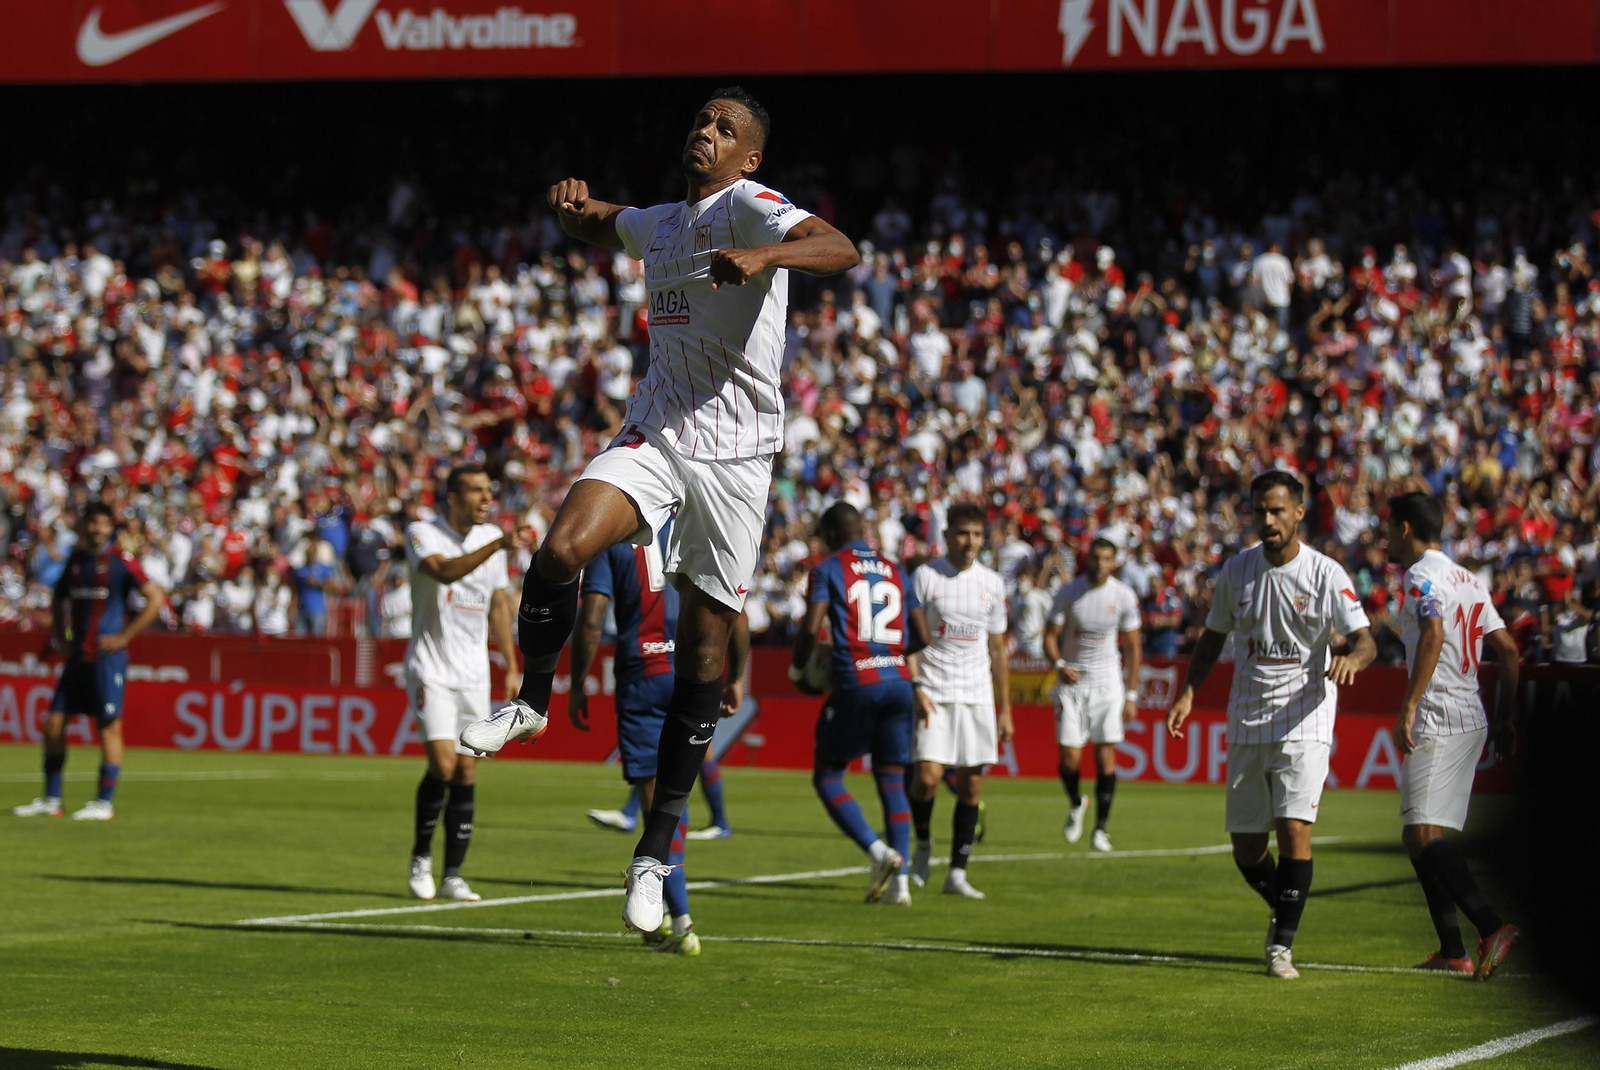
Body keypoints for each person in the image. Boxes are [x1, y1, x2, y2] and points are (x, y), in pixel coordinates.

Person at [460, 86, 860, 935]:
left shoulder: (754, 206)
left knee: (705, 652)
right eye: (702, 121)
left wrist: (766, 259)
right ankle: (530, 698)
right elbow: (603, 223)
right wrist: (570, 207)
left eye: (726, 128)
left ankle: (654, 852)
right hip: (657, 430)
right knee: (562, 547)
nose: (705, 133)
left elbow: (841, 247)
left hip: (740, 461)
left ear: (749, 157)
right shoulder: (662, 225)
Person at [1166, 470, 1376, 980]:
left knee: (1294, 831)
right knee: (1247, 849)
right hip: (1248, 715)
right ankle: (1284, 904)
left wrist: (1354, 660)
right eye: (1260, 510)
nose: (1267, 519)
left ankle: (1281, 946)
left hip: (1305, 717)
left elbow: (1366, 640)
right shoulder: (1237, 571)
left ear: (1299, 513)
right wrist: (1190, 691)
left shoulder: (1327, 574)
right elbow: (1213, 638)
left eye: (1278, 510)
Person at [569, 517, 750, 954]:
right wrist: (736, 678)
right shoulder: (700, 526)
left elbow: (592, 619)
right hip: (695, 670)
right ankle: (669, 916)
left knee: (657, 807)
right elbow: (737, 613)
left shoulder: (611, 537)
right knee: (677, 794)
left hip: (643, 672)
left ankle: (681, 923)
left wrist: (577, 683)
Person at [1384, 491, 1521, 979]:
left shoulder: (1421, 574)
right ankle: (1452, 951)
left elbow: (1435, 634)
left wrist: (1411, 703)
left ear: (1404, 529)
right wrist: (1506, 719)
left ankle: (1491, 926)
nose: (1383, 536)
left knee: (1421, 833)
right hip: (1474, 716)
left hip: (1440, 714)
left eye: (1387, 526)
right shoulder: (1469, 578)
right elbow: (1507, 651)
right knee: (1419, 836)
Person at [790, 502, 928, 906]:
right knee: (890, 777)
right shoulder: (896, 569)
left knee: (828, 777)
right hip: (900, 681)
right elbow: (921, 633)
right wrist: (894, 653)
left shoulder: (829, 567)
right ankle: (899, 885)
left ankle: (878, 851)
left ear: (831, 534)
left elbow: (812, 627)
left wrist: (799, 670)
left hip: (858, 678)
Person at [403, 467, 527, 902]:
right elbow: (443, 572)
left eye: (488, 491)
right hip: (431, 667)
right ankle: (421, 857)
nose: (485, 499)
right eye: (475, 491)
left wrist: (511, 665)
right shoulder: (422, 532)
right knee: (443, 764)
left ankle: (454, 873)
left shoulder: (490, 536)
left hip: (474, 672)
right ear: (452, 497)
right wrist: (497, 544)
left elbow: (497, 606)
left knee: (468, 767)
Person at [14, 503, 166, 820]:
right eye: (91, 523)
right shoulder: (76, 560)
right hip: (77, 657)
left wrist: (125, 637)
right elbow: (58, 600)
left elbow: (155, 598)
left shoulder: (121, 562)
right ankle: (51, 799)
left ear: (111, 527)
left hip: (107, 657)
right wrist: (60, 638)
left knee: (108, 726)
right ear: (84, 526)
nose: (96, 529)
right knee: (54, 723)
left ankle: (103, 803)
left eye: (102, 524)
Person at [906, 502, 1012, 899]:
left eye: (977, 535)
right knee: (928, 777)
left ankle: (957, 873)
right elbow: (911, 639)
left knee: (971, 786)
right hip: (934, 689)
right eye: (963, 533)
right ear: (947, 535)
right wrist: (915, 685)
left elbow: (998, 649)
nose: (970, 542)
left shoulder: (992, 583)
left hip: (976, 694)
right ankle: (921, 845)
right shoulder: (926, 576)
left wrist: (1005, 709)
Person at [1042, 537, 1142, 851]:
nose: (1100, 564)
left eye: (1107, 559)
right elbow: (1050, 636)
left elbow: (1134, 646)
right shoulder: (1069, 592)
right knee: (1069, 758)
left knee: (1105, 755)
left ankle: (1100, 829)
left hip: (1108, 682)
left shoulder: (1123, 595)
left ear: (1114, 563)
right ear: (1088, 559)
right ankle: (1076, 802)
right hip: (1073, 683)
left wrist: (1132, 694)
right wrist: (1058, 664)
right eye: (1096, 558)